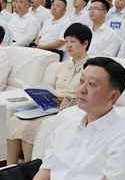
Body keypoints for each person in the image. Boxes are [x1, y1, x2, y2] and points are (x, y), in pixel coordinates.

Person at [7, 23, 92, 165]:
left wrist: (66, 101)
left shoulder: (91, 68)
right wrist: (39, 93)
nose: (68, 45)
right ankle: (9, 167)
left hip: (71, 107)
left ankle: (29, 170)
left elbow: (89, 95)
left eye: (73, 41)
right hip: (51, 105)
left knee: (30, 127)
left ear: (85, 43)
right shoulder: (63, 66)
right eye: (66, 41)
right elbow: (49, 87)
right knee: (14, 120)